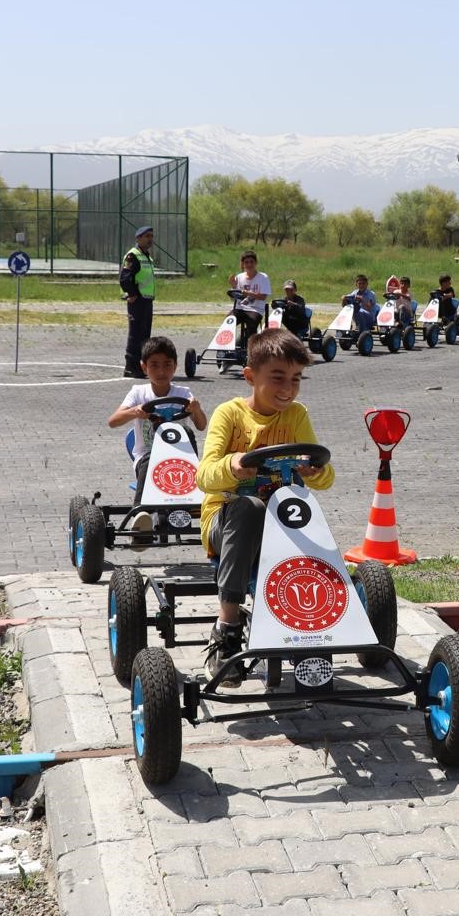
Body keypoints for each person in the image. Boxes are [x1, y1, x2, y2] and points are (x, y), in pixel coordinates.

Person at [195, 330, 335, 684]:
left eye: (295, 379)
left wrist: (315, 471)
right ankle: (227, 627)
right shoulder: (230, 414)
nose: (287, 388)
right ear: (250, 376)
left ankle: (314, 626)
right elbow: (203, 476)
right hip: (226, 520)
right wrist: (233, 466)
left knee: (304, 512)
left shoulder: (297, 415)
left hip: (281, 521)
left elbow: (326, 478)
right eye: (277, 378)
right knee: (250, 508)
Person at [107, 336, 208, 548]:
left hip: (181, 458)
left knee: (187, 430)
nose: (161, 371)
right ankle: (141, 514)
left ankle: (198, 505)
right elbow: (113, 421)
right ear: (144, 367)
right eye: (154, 365)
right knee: (152, 458)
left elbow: (201, 426)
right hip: (147, 456)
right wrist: (135, 412)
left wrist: (196, 409)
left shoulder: (183, 393)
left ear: (175, 367)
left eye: (167, 365)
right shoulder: (139, 393)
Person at [118, 225, 157, 377]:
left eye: (151, 236)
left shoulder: (146, 256)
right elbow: (125, 278)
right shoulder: (132, 256)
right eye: (146, 236)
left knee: (144, 335)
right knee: (136, 334)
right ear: (138, 238)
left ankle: (140, 366)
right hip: (137, 300)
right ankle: (131, 367)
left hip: (146, 300)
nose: (150, 239)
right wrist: (132, 294)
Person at [227, 249, 271, 344]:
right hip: (240, 308)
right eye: (246, 262)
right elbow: (233, 298)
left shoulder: (263, 277)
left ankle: (253, 347)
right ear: (243, 264)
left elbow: (263, 297)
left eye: (251, 262)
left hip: (255, 309)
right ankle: (226, 346)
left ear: (256, 263)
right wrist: (233, 286)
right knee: (228, 321)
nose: (249, 265)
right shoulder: (239, 277)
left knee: (251, 324)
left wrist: (246, 293)